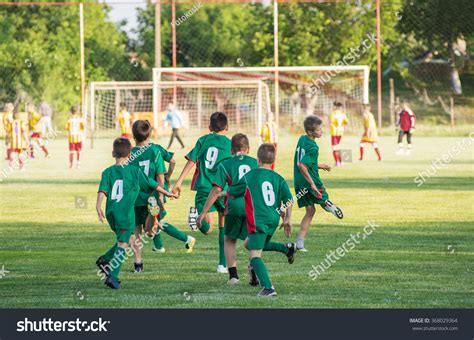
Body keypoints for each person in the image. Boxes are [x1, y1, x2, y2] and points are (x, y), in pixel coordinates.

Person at [95, 138, 177, 289]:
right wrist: (167, 193)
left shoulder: (107, 171)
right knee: (123, 243)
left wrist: (98, 206)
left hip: (111, 213)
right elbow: (153, 184)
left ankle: (104, 260)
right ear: (129, 154)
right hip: (125, 213)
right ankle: (112, 277)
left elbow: (102, 190)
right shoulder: (134, 172)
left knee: (130, 238)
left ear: (113, 153)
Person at [225, 143, 296, 297]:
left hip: (259, 220)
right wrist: (288, 219)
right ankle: (287, 249)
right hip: (273, 219)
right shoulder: (278, 178)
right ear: (273, 160)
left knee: (255, 256)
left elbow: (232, 192)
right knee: (248, 243)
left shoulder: (250, 176)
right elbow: (289, 199)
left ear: (258, 159)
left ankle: (268, 287)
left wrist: (221, 194)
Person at [128, 120, 196, 273]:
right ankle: (172, 242)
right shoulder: (155, 150)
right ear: (150, 133)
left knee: (136, 231)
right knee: (153, 227)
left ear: (133, 135)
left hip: (134, 196)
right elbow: (163, 172)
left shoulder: (130, 154)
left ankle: (138, 263)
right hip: (153, 193)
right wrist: (165, 185)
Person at [172, 112, 231, 273]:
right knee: (218, 226)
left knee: (209, 229)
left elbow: (192, 161)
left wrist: (178, 182)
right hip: (222, 189)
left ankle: (222, 264)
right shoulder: (229, 144)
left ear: (209, 127)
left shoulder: (203, 140)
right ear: (227, 127)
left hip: (205, 188)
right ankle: (222, 265)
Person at [196, 133, 258, 284]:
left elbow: (216, 190)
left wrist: (203, 213)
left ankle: (233, 276)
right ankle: (254, 270)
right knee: (254, 240)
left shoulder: (225, 165)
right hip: (253, 208)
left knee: (229, 240)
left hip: (233, 206)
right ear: (248, 149)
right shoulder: (256, 162)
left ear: (231, 150)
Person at [294, 115, 343, 252]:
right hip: (311, 180)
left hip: (299, 182)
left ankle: (299, 243)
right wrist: (312, 184)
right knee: (322, 198)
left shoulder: (302, 139)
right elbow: (302, 166)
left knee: (310, 211)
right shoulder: (313, 147)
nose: (322, 131)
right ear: (310, 132)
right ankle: (328, 205)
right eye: (319, 129)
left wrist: (319, 165)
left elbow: (303, 161)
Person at [329, 101, 348, 166]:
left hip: (334, 132)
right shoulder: (343, 114)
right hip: (340, 132)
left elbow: (331, 122)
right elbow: (346, 122)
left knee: (334, 147)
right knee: (338, 147)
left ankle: (337, 162)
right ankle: (341, 161)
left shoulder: (333, 113)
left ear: (335, 106)